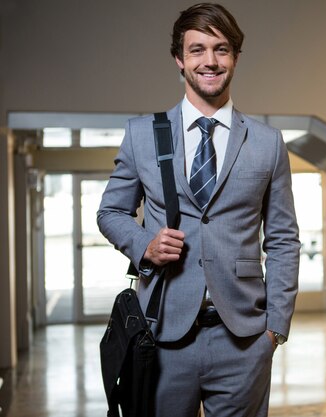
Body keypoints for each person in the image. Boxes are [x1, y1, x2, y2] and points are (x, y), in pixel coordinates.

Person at [97, 3, 300, 417]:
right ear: (179, 58)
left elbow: (282, 238)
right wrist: (144, 245)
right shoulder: (141, 135)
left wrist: (275, 329)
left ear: (236, 58)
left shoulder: (267, 142)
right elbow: (110, 212)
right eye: (197, 49)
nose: (210, 60)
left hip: (244, 341)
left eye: (221, 49)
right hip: (163, 336)